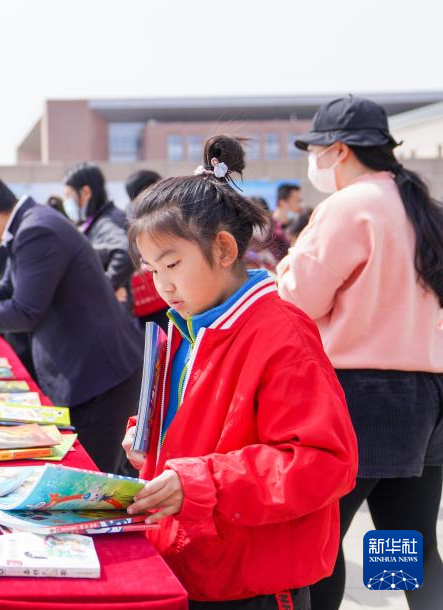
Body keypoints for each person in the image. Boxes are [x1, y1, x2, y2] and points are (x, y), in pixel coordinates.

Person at [121, 135, 358, 609]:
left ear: (225, 249)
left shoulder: (281, 333)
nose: (162, 285)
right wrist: (147, 435)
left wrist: (200, 481)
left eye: (172, 264)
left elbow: (323, 462)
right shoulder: (190, 322)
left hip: (252, 579)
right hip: (197, 561)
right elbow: (198, 424)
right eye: (152, 270)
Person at [278, 95, 443, 610]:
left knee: (323, 542)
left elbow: (297, 300)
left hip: (362, 397)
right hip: (427, 395)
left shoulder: (350, 207)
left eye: (316, 150)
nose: (315, 162)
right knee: (408, 542)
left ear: (340, 150)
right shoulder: (421, 206)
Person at [0, 170, 143, 473]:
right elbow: (9, 287)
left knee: (89, 478)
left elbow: (26, 311)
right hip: (88, 370)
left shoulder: (36, 230)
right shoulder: (28, 224)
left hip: (99, 376)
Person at [63, 163, 134, 294]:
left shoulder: (108, 221)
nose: (66, 202)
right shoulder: (95, 221)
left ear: (85, 192)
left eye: (68, 195)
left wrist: (104, 288)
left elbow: (126, 252)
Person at [125, 170, 170, 330]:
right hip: (156, 294)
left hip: (146, 298)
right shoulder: (150, 215)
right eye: (159, 185)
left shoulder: (130, 213)